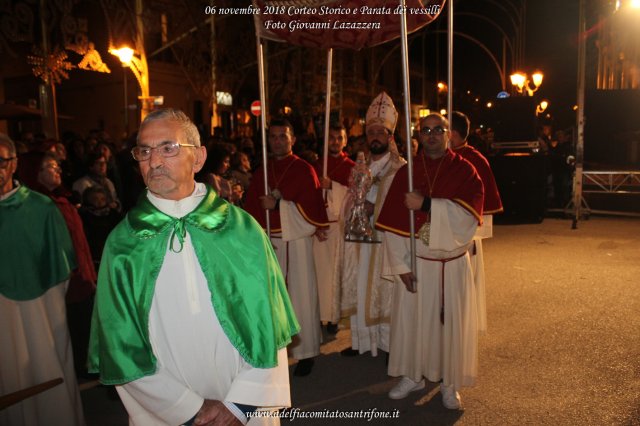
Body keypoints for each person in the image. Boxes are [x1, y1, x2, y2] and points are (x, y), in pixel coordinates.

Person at [88, 109, 299, 426]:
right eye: (144, 151)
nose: (155, 161)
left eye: (168, 148)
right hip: (166, 414)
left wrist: (241, 405)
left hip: (243, 408)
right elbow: (122, 347)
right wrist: (189, 410)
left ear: (198, 158)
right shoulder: (124, 244)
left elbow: (268, 327)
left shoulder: (241, 230)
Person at [376, 113, 484, 409]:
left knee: (451, 327)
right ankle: (413, 375)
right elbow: (394, 228)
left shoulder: (465, 171)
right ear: (418, 135)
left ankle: (450, 384)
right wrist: (401, 266)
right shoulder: (406, 174)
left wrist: (426, 204)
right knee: (413, 324)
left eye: (439, 130)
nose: (433, 135)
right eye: (426, 130)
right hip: (419, 262)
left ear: (449, 134)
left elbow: (468, 222)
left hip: (451, 265)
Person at [0, 134, 85, 425]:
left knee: (46, 370)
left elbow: (61, 275)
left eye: (1, 161)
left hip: (41, 311)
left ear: (14, 165)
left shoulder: (42, 209)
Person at [244, 118, 329, 377]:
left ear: (293, 139)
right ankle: (277, 348)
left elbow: (312, 211)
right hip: (270, 240)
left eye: (283, 136)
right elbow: (251, 208)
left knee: (302, 295)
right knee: (272, 298)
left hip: (297, 241)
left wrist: (279, 206)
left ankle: (307, 352)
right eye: (274, 136)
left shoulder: (304, 169)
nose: (278, 141)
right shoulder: (263, 171)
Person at [17, 151, 98, 377]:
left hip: (81, 276)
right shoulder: (37, 206)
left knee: (84, 326)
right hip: (63, 279)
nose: (58, 170)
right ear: (37, 173)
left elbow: (80, 243)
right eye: (51, 167)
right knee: (71, 329)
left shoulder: (62, 200)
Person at [340, 92, 405, 358]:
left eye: (381, 132)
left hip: (385, 239)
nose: (375, 137)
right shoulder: (360, 166)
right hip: (360, 240)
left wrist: (372, 207)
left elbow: (400, 204)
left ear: (390, 136)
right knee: (361, 286)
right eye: (371, 132)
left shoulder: (400, 168)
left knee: (383, 289)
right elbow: (348, 198)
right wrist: (354, 206)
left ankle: (389, 346)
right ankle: (362, 342)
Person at [449, 111, 503, 333]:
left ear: (453, 133)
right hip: (439, 232)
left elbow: (483, 206)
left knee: (464, 286)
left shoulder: (474, 160)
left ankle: (462, 326)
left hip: (466, 235)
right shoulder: (437, 158)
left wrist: (472, 237)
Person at [312, 123, 355, 334]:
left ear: (345, 141)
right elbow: (309, 200)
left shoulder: (352, 167)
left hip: (340, 228)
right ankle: (321, 316)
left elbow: (356, 196)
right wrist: (314, 225)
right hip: (320, 228)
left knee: (336, 274)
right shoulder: (315, 166)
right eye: (331, 137)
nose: (335, 141)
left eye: (339, 137)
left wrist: (333, 187)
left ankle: (335, 317)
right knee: (321, 273)